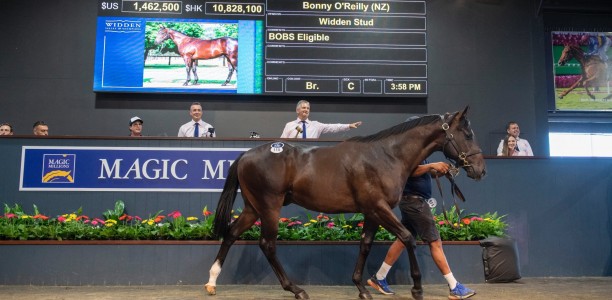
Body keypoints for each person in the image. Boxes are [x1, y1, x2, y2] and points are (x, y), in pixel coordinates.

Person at [368, 160, 476, 300]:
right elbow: (411, 170)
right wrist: (432, 165)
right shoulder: (411, 149)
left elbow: (424, 172)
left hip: (411, 202)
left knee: (402, 240)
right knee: (435, 243)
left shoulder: (420, 153)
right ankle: (454, 287)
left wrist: (441, 171)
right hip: (415, 204)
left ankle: (379, 277)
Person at [280, 100, 362, 138]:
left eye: (308, 108)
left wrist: (349, 126)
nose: (306, 110)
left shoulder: (316, 125)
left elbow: (332, 127)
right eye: (303, 107)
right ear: (297, 110)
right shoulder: (290, 125)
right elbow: (282, 142)